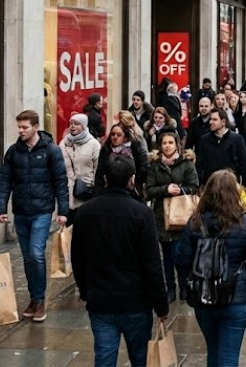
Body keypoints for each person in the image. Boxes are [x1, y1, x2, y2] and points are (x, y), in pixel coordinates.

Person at [71, 154, 169, 367]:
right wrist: (161, 305)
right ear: (132, 179)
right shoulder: (142, 213)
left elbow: (77, 257)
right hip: (135, 301)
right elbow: (152, 263)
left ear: (105, 179)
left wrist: (85, 290)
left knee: (104, 358)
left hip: (101, 299)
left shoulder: (85, 212)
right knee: (139, 357)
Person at [177, 170, 246, 367]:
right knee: (229, 356)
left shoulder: (195, 222)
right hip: (237, 297)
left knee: (214, 351)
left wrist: (186, 289)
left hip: (203, 294)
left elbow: (182, 259)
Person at [0, 109, 69, 323]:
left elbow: (60, 182)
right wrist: (1, 209)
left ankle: (40, 299)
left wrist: (62, 211)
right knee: (27, 258)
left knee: (37, 254)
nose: (21, 131)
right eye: (19, 127)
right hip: (21, 211)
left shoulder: (51, 151)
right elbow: (5, 182)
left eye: (25, 127)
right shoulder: (13, 152)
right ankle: (33, 298)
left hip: (42, 211)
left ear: (36, 127)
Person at [145, 131, 199, 303]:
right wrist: (165, 189)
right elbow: (149, 190)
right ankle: (170, 288)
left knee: (179, 254)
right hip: (162, 216)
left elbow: (194, 186)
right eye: (164, 143)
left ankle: (183, 284)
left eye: (170, 142)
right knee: (166, 256)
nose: (167, 146)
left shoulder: (186, 164)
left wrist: (180, 190)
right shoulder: (155, 165)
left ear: (177, 144)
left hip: (182, 215)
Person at [58, 113, 101, 226]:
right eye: (71, 123)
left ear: (84, 126)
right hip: (67, 193)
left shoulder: (94, 144)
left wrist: (94, 187)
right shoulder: (63, 144)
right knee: (68, 232)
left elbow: (98, 169)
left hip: (86, 192)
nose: (72, 126)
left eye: (76, 124)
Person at [196, 109, 246, 188]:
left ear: (223, 122)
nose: (211, 122)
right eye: (210, 119)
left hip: (230, 184)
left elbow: (242, 162)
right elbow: (200, 164)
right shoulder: (204, 139)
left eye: (215, 120)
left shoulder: (236, 139)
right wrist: (199, 184)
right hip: (210, 184)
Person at [96, 122, 150, 200]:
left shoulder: (135, 148)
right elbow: (100, 173)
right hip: (109, 190)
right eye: (113, 134)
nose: (115, 137)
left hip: (131, 190)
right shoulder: (106, 150)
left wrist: (135, 182)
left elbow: (143, 167)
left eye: (119, 135)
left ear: (125, 137)